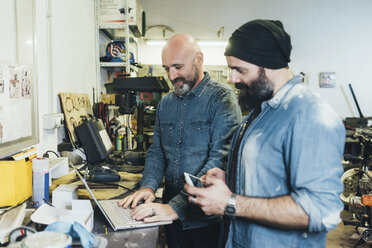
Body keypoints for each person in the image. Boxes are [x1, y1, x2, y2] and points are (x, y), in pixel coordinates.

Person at [185, 19, 346, 248]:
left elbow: (320, 210)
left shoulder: (310, 115)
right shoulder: (262, 110)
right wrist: (231, 180)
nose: (232, 79)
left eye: (239, 70)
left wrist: (230, 203)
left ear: (268, 64)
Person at [118, 33, 242, 248]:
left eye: (178, 67)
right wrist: (148, 187)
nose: (172, 75)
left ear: (199, 60)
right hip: (169, 214)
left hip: (206, 220)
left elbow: (220, 160)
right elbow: (157, 152)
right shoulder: (166, 103)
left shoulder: (221, 98)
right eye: (166, 68)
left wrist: (176, 207)